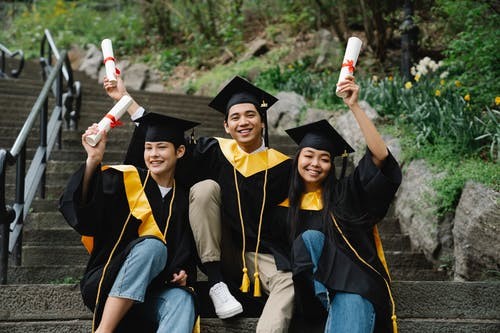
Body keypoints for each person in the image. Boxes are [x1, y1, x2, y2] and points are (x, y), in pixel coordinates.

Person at [107, 75, 295, 332]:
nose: (243, 122)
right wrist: (127, 102)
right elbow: (163, 151)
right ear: (226, 126)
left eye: (250, 115)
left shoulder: (284, 166)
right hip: (220, 248)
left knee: (288, 281)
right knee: (204, 188)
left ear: (262, 121)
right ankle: (217, 284)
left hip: (258, 255)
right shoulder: (214, 151)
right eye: (235, 117)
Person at [273, 77, 402, 333]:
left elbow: (380, 157)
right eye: (308, 156)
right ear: (297, 159)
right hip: (309, 301)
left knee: (350, 295)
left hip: (355, 287)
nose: (315, 164)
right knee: (309, 240)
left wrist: (354, 106)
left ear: (332, 166)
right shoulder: (281, 208)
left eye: (324, 159)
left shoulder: (345, 196)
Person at [59, 112, 200, 333]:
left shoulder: (184, 200)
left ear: (180, 151)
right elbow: (85, 218)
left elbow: (184, 254)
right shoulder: (124, 181)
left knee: (183, 299)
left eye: (161, 147)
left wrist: (183, 274)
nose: (153, 154)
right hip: (107, 283)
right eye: (148, 147)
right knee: (152, 245)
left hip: (152, 292)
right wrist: (94, 160)